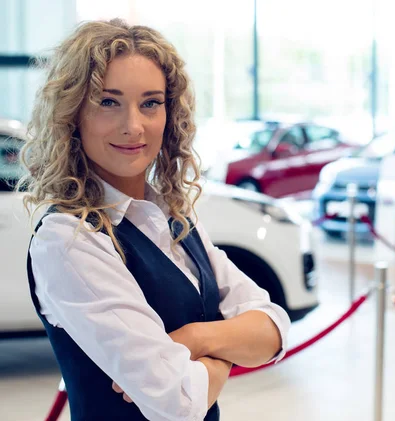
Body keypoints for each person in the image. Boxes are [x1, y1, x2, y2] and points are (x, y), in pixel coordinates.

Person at [19, 18, 290, 421]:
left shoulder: (173, 217)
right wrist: (226, 351)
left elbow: (274, 329)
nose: (133, 126)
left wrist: (195, 338)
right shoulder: (69, 238)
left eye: (150, 103)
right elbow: (179, 402)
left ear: (170, 112)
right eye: (108, 102)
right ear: (73, 113)